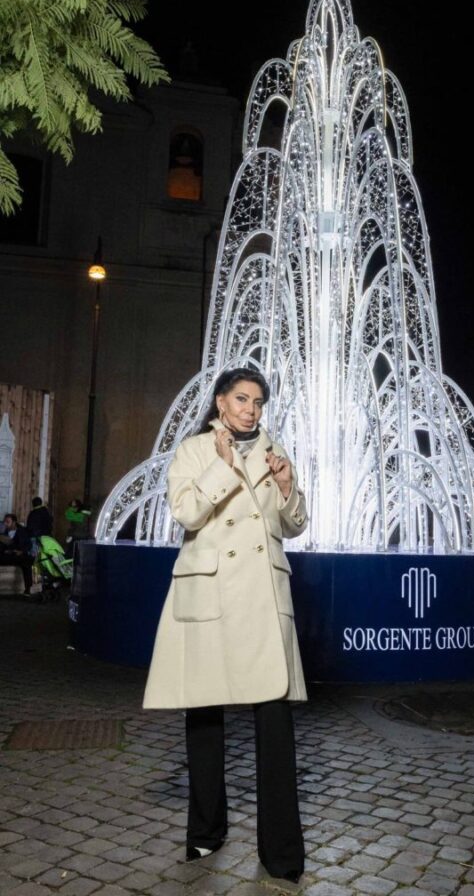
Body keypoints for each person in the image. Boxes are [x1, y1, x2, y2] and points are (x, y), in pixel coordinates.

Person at [143, 368, 308, 880]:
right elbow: (186, 514)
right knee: (204, 720)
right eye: (242, 398)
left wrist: (286, 487)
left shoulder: (276, 451)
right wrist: (220, 467)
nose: (251, 409)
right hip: (211, 591)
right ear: (221, 400)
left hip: (261, 595)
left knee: (275, 723)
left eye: (258, 401)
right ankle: (204, 833)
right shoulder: (194, 450)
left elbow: (296, 525)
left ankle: (281, 854)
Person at [0, 514, 34, 595]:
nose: (5, 524)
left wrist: (22, 551)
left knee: (27, 561)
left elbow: (28, 545)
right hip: (5, 556)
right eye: (4, 522)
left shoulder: (21, 531)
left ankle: (28, 589)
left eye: (7, 522)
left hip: (17, 555)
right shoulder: (3, 532)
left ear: (14, 522)